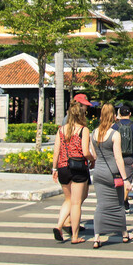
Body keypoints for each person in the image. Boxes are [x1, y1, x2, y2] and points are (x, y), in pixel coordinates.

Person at [89, 103, 133, 248]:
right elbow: (118, 158)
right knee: (118, 204)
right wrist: (125, 179)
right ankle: (124, 234)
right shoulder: (114, 134)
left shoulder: (94, 133)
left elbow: (94, 154)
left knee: (101, 205)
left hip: (98, 172)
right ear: (113, 116)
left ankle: (96, 237)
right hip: (112, 173)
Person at [52, 101, 93, 244]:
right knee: (76, 203)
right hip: (78, 167)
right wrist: (92, 160)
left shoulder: (61, 130)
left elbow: (56, 151)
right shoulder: (83, 130)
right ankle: (75, 236)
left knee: (68, 199)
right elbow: (85, 151)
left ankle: (59, 224)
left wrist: (54, 168)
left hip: (63, 167)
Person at [114, 104, 133, 212]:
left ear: (119, 114)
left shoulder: (115, 126)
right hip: (130, 157)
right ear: (130, 114)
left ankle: (122, 202)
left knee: (119, 179)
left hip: (117, 157)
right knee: (127, 180)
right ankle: (124, 201)